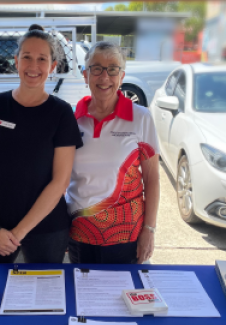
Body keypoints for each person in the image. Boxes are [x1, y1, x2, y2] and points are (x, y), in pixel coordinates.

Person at [0, 24, 83, 264]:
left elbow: (60, 181)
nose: (34, 66)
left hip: (47, 229)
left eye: (42, 59)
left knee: (43, 298)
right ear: (16, 61)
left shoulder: (61, 113)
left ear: (53, 67)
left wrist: (17, 234)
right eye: (27, 58)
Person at [66, 41, 160, 264]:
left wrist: (150, 229)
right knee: (85, 295)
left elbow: (153, 179)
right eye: (96, 68)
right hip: (80, 231)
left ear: (122, 75)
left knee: (122, 296)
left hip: (125, 234)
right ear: (85, 74)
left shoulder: (141, 117)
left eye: (113, 69)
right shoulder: (71, 118)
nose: (104, 76)